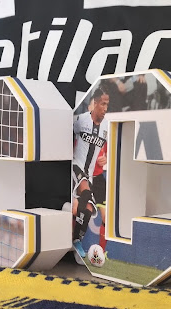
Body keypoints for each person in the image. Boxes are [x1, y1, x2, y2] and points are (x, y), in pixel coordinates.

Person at [72, 87, 109, 259]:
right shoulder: (81, 120)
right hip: (76, 167)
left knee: (87, 209)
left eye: (107, 105)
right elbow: (66, 135)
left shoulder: (106, 127)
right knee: (86, 193)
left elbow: (107, 149)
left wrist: (106, 157)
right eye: (103, 104)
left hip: (90, 175)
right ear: (94, 104)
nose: (105, 108)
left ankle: (76, 239)